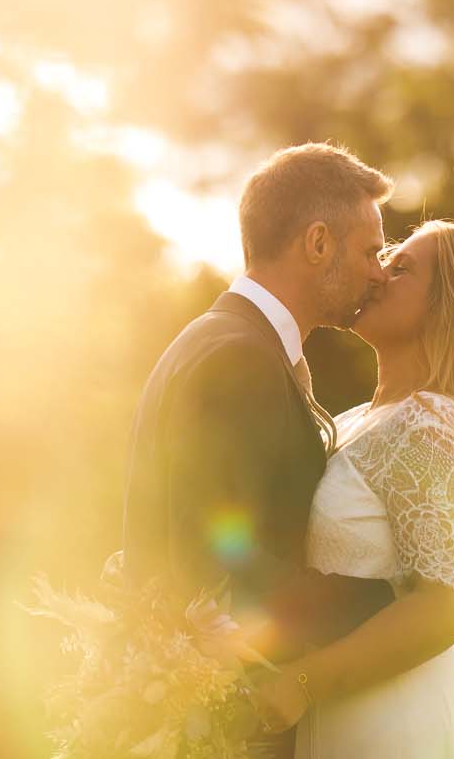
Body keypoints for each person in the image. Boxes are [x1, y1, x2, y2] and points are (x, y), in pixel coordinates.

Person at [252, 219, 454, 758]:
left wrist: (302, 683)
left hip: (398, 725)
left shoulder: (432, 427)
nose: (378, 274)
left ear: (452, 307)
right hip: (344, 713)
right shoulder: (365, 417)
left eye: (401, 268)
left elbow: (450, 607)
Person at [119, 143, 401, 755]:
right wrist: (394, 598)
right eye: (371, 250)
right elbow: (231, 560)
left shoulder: (221, 339)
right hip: (230, 724)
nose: (380, 271)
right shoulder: (238, 360)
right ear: (318, 243)